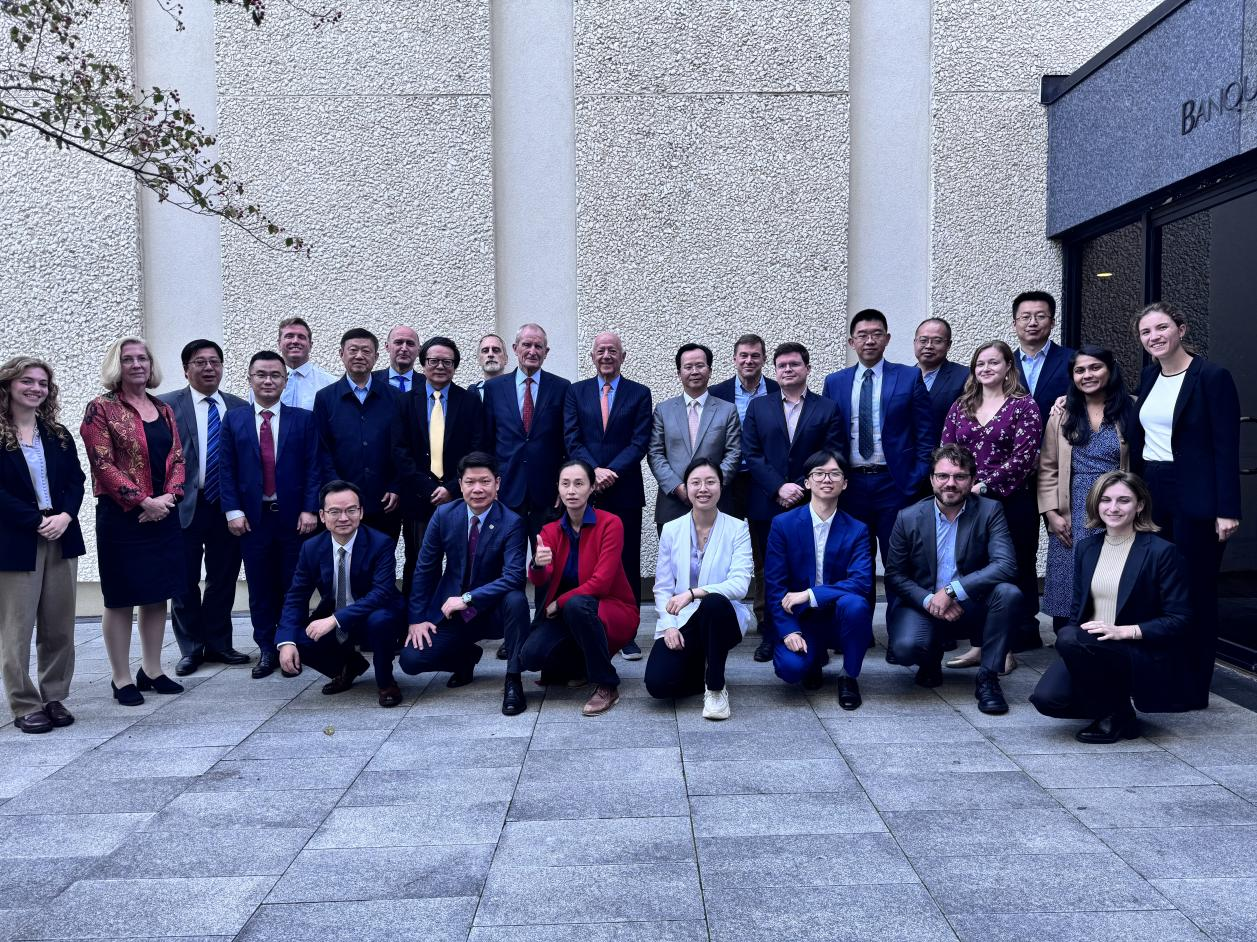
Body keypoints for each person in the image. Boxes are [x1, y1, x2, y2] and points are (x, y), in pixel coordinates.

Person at [1132, 301, 1241, 708]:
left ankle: (1193, 688)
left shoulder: (1211, 376)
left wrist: (1228, 509)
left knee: (1195, 590)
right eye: (1146, 332)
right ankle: (1163, 675)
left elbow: (1226, 447)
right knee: (1159, 587)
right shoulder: (1149, 376)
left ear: (1181, 329)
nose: (1154, 337)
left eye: (1161, 328)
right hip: (1153, 490)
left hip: (1196, 495)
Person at [1030, 471, 1193, 742]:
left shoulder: (1162, 552)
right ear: (1096, 504)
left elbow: (1180, 619)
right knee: (1047, 700)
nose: (1113, 508)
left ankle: (1112, 715)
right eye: (1105, 500)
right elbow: (1078, 610)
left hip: (1136, 649)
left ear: (1140, 505)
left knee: (1068, 636)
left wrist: (1124, 631)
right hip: (1090, 644)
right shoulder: (1087, 548)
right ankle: (1119, 710)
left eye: (1123, 500)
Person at [80, 337, 187, 706]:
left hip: (163, 513)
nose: (137, 364)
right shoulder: (101, 408)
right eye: (128, 359)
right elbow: (101, 463)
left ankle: (152, 670)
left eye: (143, 358)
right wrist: (143, 500)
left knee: (157, 595)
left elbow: (178, 457)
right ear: (117, 365)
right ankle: (121, 677)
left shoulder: (163, 408)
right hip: (123, 517)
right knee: (121, 598)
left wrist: (168, 498)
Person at [885, 444, 1019, 715]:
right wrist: (930, 600)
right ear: (932, 479)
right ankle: (929, 660)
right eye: (943, 476)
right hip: (924, 605)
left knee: (1008, 594)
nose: (950, 483)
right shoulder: (908, 517)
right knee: (905, 649)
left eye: (959, 476)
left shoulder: (990, 511)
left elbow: (1005, 565)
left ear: (972, 479)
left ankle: (988, 678)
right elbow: (895, 575)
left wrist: (951, 591)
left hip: (971, 603)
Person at [401, 452, 531, 715]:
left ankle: (513, 679)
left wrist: (468, 598)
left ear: (497, 483)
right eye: (470, 482)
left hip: (493, 610)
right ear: (460, 485)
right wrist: (417, 618)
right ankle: (465, 659)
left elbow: (514, 577)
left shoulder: (512, 522)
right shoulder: (444, 515)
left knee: (517, 599)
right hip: (453, 612)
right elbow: (425, 569)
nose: (477, 489)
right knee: (410, 660)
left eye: (485, 481)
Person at [822, 309, 933, 608]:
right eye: (862, 335)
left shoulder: (909, 377)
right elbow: (830, 436)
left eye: (876, 334)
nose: (869, 340)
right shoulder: (835, 382)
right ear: (851, 342)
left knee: (898, 559)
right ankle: (859, 624)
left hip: (894, 484)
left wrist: (914, 479)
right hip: (851, 486)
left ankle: (900, 626)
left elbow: (925, 435)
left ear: (887, 338)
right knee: (855, 559)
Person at [220, 351, 321, 679]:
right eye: (261, 374)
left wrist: (310, 508)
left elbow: (314, 467)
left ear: (285, 380)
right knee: (260, 587)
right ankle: (266, 647)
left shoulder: (303, 419)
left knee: (295, 584)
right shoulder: (234, 419)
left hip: (294, 519)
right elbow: (226, 469)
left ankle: (292, 642)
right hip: (253, 520)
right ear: (250, 379)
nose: (268, 380)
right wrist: (232, 511)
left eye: (275, 375)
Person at [941, 340, 1042, 665]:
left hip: (1010, 503)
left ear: (1008, 366)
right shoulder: (961, 406)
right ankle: (979, 645)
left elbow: (1024, 457)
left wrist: (984, 485)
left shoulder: (1024, 406)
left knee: (1010, 573)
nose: (986, 369)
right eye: (980, 363)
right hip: (968, 505)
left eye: (994, 362)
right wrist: (959, 485)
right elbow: (947, 451)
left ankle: (1005, 650)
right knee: (974, 571)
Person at [742, 342, 843, 662]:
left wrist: (800, 486)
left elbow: (832, 452)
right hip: (766, 502)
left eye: (794, 364)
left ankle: (812, 629)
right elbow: (751, 453)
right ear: (774, 371)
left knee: (809, 565)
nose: (787, 370)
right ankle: (771, 632)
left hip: (810, 501)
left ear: (807, 369)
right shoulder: (758, 407)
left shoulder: (826, 408)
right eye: (782, 365)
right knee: (770, 571)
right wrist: (778, 487)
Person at [0, 357, 85, 733]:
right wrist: (34, 520)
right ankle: (24, 703)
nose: (36, 388)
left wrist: (65, 516)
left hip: (61, 533)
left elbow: (76, 480)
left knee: (59, 625)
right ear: (8, 385)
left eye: (43, 383)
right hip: (16, 539)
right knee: (17, 628)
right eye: (27, 381)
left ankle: (54, 696)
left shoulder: (57, 434)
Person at [159, 340, 250, 677]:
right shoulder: (167, 406)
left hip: (226, 506)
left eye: (215, 361)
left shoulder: (239, 407)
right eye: (200, 362)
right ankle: (190, 648)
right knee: (183, 580)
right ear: (186, 369)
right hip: (184, 505)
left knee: (223, 577)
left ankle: (219, 643)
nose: (209, 367)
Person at [520, 459, 639, 717]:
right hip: (569, 614)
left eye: (579, 484)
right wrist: (537, 565)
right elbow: (541, 580)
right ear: (558, 488)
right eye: (565, 484)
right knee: (530, 656)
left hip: (611, 608)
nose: (571, 491)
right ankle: (583, 664)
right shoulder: (550, 530)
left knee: (576, 604)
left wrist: (559, 602)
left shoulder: (610, 523)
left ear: (592, 487)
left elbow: (602, 582)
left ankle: (606, 684)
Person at [276, 480, 406, 707]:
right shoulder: (311, 548)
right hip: (336, 612)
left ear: (361, 512)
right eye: (334, 512)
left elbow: (381, 593)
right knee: (294, 636)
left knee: (381, 620)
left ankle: (386, 682)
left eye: (351, 510)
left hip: (376, 613)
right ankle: (348, 666)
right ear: (322, 515)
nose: (343, 518)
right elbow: (296, 596)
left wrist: (335, 619)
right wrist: (286, 641)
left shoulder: (380, 543)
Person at [563, 331, 653, 648]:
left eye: (612, 350)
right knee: (586, 560)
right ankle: (587, 625)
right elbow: (572, 438)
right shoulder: (576, 392)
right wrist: (594, 472)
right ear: (592, 356)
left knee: (626, 561)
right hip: (585, 493)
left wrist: (611, 471)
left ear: (622, 356)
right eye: (600, 350)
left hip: (624, 489)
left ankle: (627, 632)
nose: (606, 356)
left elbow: (640, 441)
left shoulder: (639, 393)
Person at [645, 458, 752, 721]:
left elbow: (740, 585)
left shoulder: (738, 528)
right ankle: (701, 664)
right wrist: (669, 625)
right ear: (687, 487)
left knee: (713, 602)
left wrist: (694, 593)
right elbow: (663, 587)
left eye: (710, 482)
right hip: (683, 619)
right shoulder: (672, 529)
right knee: (658, 685)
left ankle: (715, 686)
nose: (703, 489)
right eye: (696, 483)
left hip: (723, 618)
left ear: (721, 486)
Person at [765, 450, 872, 710]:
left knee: (857, 604)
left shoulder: (857, 529)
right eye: (819, 473)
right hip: (801, 618)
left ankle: (849, 676)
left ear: (844, 483)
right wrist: (788, 630)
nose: (827, 479)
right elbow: (775, 587)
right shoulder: (783, 525)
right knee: (791, 670)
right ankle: (812, 659)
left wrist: (811, 594)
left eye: (835, 474)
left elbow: (861, 582)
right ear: (807, 482)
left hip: (838, 616)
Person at [1038, 346, 1134, 630]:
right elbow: (1048, 467)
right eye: (1080, 370)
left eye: (1095, 368)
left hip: (1116, 504)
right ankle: (1067, 637)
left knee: (1111, 573)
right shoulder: (1062, 413)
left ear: (1110, 369)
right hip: (1073, 506)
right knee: (1068, 578)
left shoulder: (1131, 409)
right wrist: (1051, 513)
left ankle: (1106, 632)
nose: (1087, 375)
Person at [392, 336, 483, 600]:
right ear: (423, 364)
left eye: (447, 362)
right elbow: (399, 451)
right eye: (433, 361)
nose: (440, 366)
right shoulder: (405, 402)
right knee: (419, 561)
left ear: (455, 366)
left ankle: (456, 620)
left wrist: (452, 488)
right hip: (418, 496)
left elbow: (477, 450)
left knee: (461, 563)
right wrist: (429, 488)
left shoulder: (470, 402)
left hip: (459, 497)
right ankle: (415, 617)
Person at [709, 333, 778, 634]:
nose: (749, 361)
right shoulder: (717, 393)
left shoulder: (777, 389)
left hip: (765, 481)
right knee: (726, 548)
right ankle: (725, 613)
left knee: (766, 549)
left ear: (764, 359)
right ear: (734, 359)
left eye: (755, 356)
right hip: (728, 481)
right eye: (744, 356)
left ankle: (765, 615)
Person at [482, 323, 571, 539]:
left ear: (546, 352)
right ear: (515, 348)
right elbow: (486, 442)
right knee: (508, 556)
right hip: (506, 491)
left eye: (538, 346)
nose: (532, 351)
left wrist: (564, 485)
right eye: (526, 345)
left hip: (548, 494)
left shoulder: (561, 387)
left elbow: (567, 441)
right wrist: (489, 485)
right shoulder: (494, 388)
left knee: (548, 556)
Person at [314, 328, 402, 540]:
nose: (359, 356)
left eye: (366, 351)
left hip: (385, 500)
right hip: (341, 505)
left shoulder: (394, 397)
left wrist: (396, 485)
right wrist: (336, 491)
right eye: (353, 350)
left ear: (376, 357)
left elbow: (402, 446)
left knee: (383, 555)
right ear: (341, 354)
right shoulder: (325, 398)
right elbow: (322, 449)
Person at [648, 342, 741, 530]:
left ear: (710, 370)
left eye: (700, 365)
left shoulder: (727, 410)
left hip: (717, 504)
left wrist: (711, 486)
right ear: (679, 373)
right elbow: (655, 453)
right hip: (673, 503)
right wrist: (678, 487)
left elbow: (734, 453)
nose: (694, 371)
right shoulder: (663, 410)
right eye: (688, 367)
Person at [1011, 291, 1075, 429]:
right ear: (1014, 324)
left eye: (1040, 316)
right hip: (1015, 441)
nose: (1033, 323)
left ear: (1052, 322)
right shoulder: (1005, 364)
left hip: (1062, 437)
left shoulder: (1074, 360)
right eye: (1025, 317)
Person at [913, 317, 969, 445]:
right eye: (923, 340)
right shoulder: (902, 377)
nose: (928, 346)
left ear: (948, 345)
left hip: (944, 453)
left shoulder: (965, 376)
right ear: (915, 342)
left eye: (937, 341)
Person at [273, 317, 336, 410]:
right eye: (289, 336)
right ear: (279, 344)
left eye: (301, 337)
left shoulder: (330, 384)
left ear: (310, 345)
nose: (295, 341)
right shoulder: (263, 384)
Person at [374, 325, 420, 393]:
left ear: (418, 350)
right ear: (387, 346)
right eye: (398, 342)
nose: (404, 349)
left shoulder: (427, 383)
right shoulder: (371, 380)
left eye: (410, 343)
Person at [470, 333, 507, 400]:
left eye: (496, 350)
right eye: (485, 351)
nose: (490, 354)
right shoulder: (471, 393)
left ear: (506, 359)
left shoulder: (517, 390)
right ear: (479, 359)